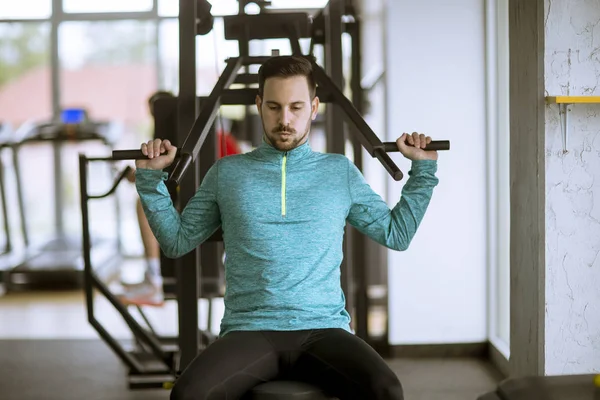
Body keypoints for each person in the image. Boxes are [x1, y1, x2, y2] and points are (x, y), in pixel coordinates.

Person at [134, 55, 439, 399]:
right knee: (188, 394)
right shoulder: (227, 173)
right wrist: (149, 180)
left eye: (296, 107)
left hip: (324, 329)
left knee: (386, 389)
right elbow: (177, 242)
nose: (285, 120)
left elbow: (396, 234)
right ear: (259, 105)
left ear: (314, 107)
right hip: (249, 329)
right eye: (275, 107)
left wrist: (423, 173)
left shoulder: (339, 172)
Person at [121, 91, 242, 306]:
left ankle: (154, 280)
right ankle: (152, 277)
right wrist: (143, 175)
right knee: (147, 200)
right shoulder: (171, 144)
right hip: (196, 201)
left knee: (142, 204)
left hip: (215, 204)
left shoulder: (218, 140)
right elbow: (168, 178)